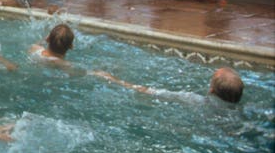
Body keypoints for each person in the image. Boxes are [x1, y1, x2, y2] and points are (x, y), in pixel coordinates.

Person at [91, 67, 245, 104]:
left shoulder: (196, 100)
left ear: (211, 90)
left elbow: (151, 92)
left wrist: (113, 79)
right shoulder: (239, 112)